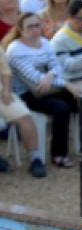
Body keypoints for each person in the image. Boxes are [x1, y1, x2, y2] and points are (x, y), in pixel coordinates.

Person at [2, 11, 80, 168]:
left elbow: (57, 66)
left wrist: (50, 76)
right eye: (30, 27)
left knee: (81, 100)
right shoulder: (15, 49)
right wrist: (64, 83)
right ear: (21, 29)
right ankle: (59, 154)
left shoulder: (45, 43)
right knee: (61, 108)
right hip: (27, 93)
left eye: (37, 25)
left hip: (49, 88)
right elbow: (33, 78)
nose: (35, 30)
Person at [0, 41, 46, 177]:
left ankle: (35, 159)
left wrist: (7, 91)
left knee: (25, 117)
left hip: (2, 93)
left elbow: (6, 72)